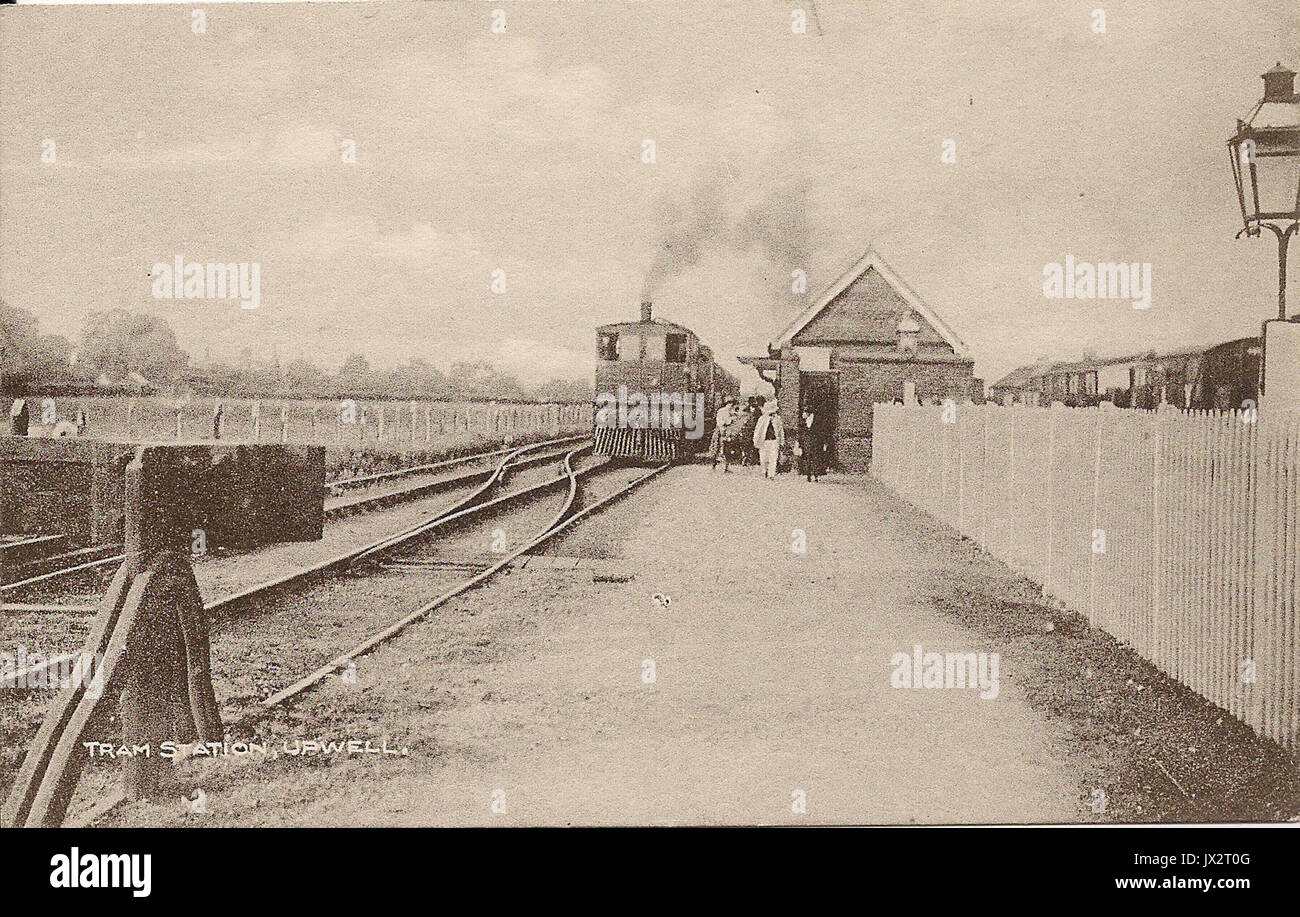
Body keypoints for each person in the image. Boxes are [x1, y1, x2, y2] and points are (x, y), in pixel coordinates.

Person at [752, 397, 784, 480]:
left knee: (773, 457)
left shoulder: (777, 419)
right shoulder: (762, 419)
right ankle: (765, 470)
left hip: (774, 440)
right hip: (764, 441)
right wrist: (756, 440)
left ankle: (771, 474)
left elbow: (780, 431)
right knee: (763, 458)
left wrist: (782, 442)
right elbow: (758, 430)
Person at [797, 406, 829, 482]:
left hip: (816, 443)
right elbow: (800, 433)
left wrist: (824, 443)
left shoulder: (817, 421)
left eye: (804, 412)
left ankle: (816, 475)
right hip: (806, 443)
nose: (803, 414)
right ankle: (808, 475)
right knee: (807, 459)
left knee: (816, 459)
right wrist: (799, 443)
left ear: (808, 413)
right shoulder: (803, 422)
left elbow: (822, 432)